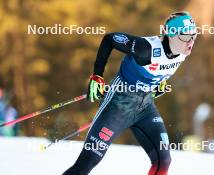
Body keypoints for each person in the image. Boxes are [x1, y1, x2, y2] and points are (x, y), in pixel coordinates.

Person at [63, 11, 197, 175]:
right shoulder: (145, 49)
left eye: (194, 35)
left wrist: (159, 82)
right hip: (118, 104)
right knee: (87, 162)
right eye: (186, 36)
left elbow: (160, 68)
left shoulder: (182, 51)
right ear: (171, 34)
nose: (191, 41)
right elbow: (110, 39)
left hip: (145, 107)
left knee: (164, 160)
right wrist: (97, 75)